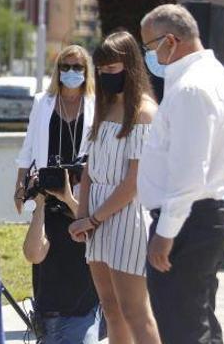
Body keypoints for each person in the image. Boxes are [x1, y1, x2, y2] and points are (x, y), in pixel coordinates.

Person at [137, 4, 224, 343]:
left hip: (189, 221)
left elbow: (189, 172)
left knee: (180, 329)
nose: (149, 55)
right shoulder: (214, 77)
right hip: (201, 217)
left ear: (171, 40)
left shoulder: (191, 88)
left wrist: (165, 233)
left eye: (150, 47)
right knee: (196, 321)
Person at [68, 31, 161, 344]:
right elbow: (90, 168)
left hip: (126, 217)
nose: (106, 75)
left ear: (129, 66)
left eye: (112, 68)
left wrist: (92, 219)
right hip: (96, 213)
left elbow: (133, 182)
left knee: (135, 310)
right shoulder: (104, 108)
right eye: (102, 69)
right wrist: (81, 216)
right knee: (110, 309)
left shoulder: (144, 113)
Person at [15, 45, 101, 342]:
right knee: (44, 258)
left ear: (87, 71)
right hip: (46, 194)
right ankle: (47, 321)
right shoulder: (44, 102)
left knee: (81, 259)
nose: (72, 72)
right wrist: (20, 187)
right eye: (66, 66)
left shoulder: (95, 104)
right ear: (58, 69)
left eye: (78, 67)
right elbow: (28, 148)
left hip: (79, 195)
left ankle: (84, 320)